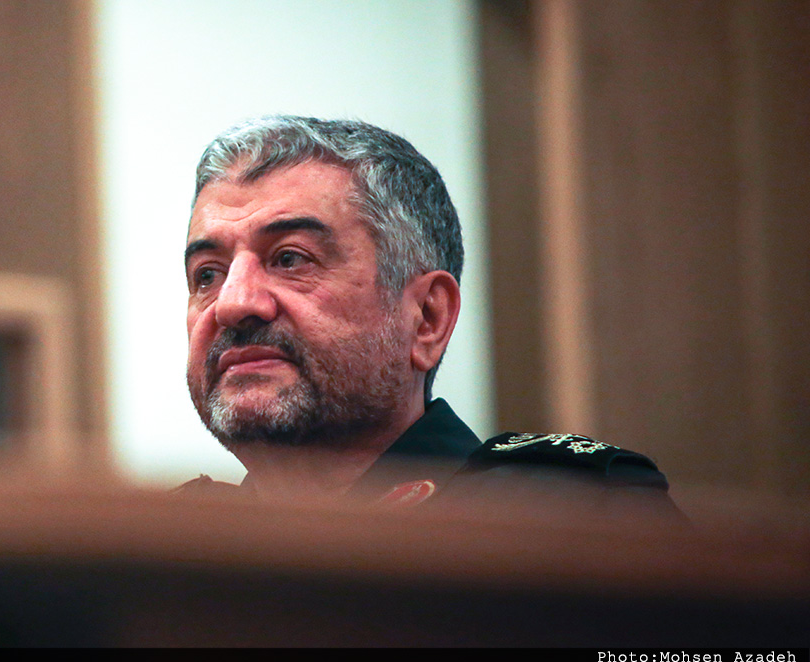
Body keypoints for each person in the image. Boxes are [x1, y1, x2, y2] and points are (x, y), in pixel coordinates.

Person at [178, 115, 679, 518]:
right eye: (207, 274)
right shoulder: (167, 553)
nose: (233, 303)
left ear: (427, 318)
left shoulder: (571, 516)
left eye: (290, 259)